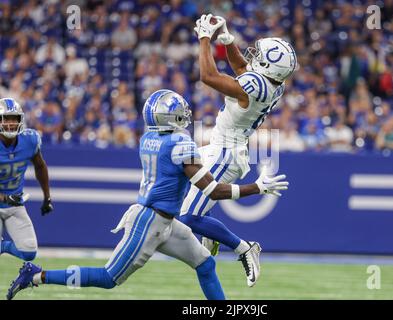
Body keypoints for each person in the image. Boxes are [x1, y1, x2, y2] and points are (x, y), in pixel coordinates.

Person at [7, 89, 289, 300]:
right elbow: (213, 189)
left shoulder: (150, 138)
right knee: (108, 278)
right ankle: (37, 275)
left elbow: (183, 168)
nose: (185, 114)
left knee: (205, 263)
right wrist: (258, 187)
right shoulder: (180, 143)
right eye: (179, 110)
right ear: (170, 116)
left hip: (165, 222)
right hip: (150, 223)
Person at [178, 14, 297, 287]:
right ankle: (213, 235)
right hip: (223, 146)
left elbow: (208, 76)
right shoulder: (272, 84)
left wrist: (204, 38)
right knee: (183, 179)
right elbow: (243, 67)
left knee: (189, 217)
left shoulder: (256, 86)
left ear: (270, 66)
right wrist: (226, 37)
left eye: (262, 55)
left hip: (226, 153)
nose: (254, 55)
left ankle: (244, 247)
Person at [0, 98, 53, 262]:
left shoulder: (29, 140)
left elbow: (40, 166)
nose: (10, 124)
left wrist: (47, 197)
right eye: (5, 119)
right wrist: (4, 198)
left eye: (13, 119)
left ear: (20, 120)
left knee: (29, 251)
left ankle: (3, 247)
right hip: (8, 200)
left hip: (14, 205)